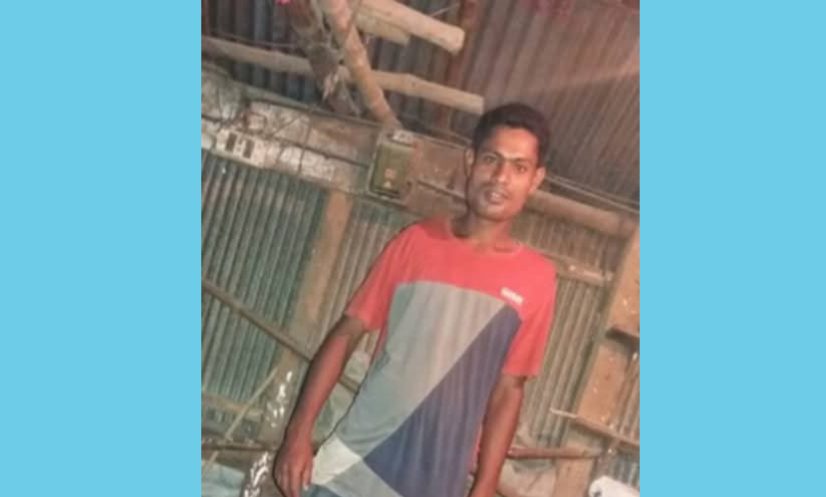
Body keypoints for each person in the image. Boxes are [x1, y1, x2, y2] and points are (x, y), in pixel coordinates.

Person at [273, 103, 558, 497]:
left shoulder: (537, 279)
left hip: (436, 483)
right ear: (471, 161)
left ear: (535, 179)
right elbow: (346, 333)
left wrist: (484, 486)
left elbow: (509, 390)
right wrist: (298, 433)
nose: (500, 177)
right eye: (491, 159)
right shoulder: (415, 243)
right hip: (354, 464)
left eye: (519, 167)